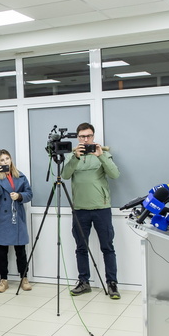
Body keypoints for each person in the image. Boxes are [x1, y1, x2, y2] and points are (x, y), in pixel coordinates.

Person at [61, 123, 121, 300]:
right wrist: (75, 158)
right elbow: (64, 176)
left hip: (102, 208)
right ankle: (84, 282)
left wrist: (101, 157)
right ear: (78, 138)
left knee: (107, 247)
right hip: (80, 209)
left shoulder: (103, 153)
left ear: (93, 136)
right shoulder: (73, 156)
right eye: (82, 136)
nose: (85, 139)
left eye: (88, 136)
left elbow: (115, 175)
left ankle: (112, 283)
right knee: (81, 247)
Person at [0, 150, 33, 293]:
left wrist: (20, 196)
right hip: (2, 217)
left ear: (11, 159)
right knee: (1, 252)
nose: (5, 162)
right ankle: (4, 280)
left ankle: (24, 278)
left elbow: (29, 194)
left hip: (16, 216)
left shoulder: (20, 175)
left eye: (7, 159)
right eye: (2, 160)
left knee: (20, 251)